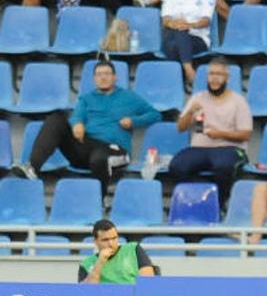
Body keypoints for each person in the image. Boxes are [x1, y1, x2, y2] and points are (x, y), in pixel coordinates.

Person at [11, 61, 161, 196]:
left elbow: (155, 114)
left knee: (99, 157)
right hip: (85, 148)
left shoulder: (129, 97)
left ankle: (98, 202)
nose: (103, 78)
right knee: (55, 119)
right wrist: (77, 124)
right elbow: (76, 116)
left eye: (107, 74)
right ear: (94, 79)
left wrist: (134, 121)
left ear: (115, 77)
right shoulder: (86, 98)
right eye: (99, 75)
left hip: (115, 149)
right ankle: (32, 168)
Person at [169, 58, 252, 205]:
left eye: (219, 74)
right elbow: (180, 128)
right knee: (177, 166)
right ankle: (201, 197)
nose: (214, 78)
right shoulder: (197, 98)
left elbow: (246, 134)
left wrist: (220, 134)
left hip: (229, 148)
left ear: (226, 77)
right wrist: (190, 113)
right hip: (199, 148)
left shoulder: (238, 101)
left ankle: (218, 203)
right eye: (211, 74)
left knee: (223, 166)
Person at [160, 0, 216, 84]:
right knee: (178, 32)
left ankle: (176, 80)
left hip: (197, 39)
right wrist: (176, 24)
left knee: (178, 37)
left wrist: (190, 25)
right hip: (172, 36)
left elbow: (205, 20)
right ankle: (189, 70)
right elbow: (166, 19)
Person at [79, 219, 156, 284]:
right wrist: (100, 262)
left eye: (114, 238)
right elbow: (87, 293)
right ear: (95, 241)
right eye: (105, 240)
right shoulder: (86, 263)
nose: (111, 244)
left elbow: (148, 283)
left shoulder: (133, 249)